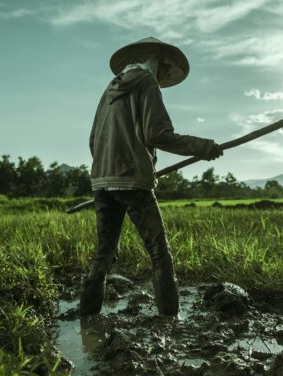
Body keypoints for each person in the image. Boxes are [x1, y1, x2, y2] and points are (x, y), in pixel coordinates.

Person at [80, 37, 223, 317]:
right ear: (159, 61)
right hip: (132, 180)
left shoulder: (109, 90)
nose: (163, 75)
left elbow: (93, 141)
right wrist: (203, 147)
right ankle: (170, 323)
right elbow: (157, 134)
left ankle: (87, 321)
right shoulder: (147, 83)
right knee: (160, 253)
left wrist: (110, 168)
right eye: (164, 69)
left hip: (101, 180)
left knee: (103, 255)